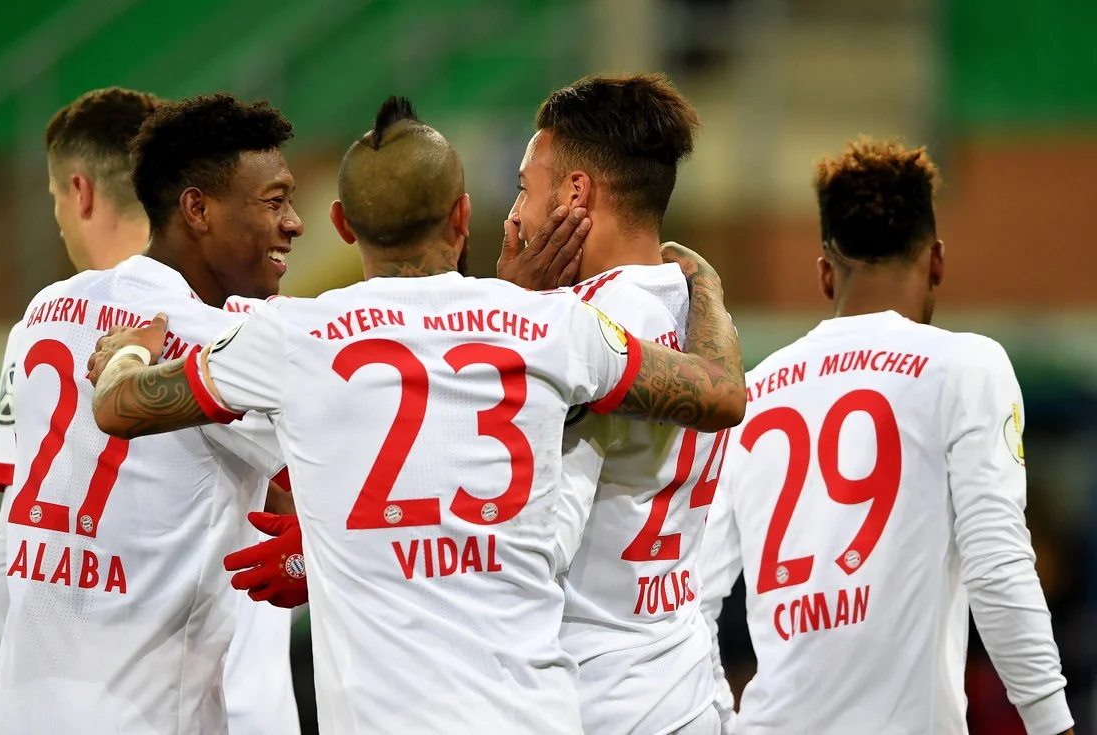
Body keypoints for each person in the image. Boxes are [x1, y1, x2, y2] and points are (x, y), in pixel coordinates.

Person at [85, 96, 746, 735]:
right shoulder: (558, 325)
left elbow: (119, 405)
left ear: (342, 224)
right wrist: (706, 286)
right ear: (462, 216)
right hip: (583, 698)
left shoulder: (290, 333)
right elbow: (719, 391)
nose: (517, 211)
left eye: (523, 188)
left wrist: (127, 353)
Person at [697, 138, 1074, 735]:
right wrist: (1052, 722)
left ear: (825, 274)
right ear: (938, 261)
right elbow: (998, 563)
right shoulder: (964, 365)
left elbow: (690, 595)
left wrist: (719, 719)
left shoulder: (751, 392)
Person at [0, 92, 309, 735]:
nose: (295, 223)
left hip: (27, 708)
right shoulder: (231, 342)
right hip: (152, 715)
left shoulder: (44, 311)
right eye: (274, 202)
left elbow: (8, 543)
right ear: (198, 209)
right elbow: (364, 486)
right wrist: (314, 556)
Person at [500, 72, 729, 735]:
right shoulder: (698, 311)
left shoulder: (582, 328)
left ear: (576, 193)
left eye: (525, 187)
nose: (514, 215)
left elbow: (534, 540)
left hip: (591, 695)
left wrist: (509, 317)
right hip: (680, 680)